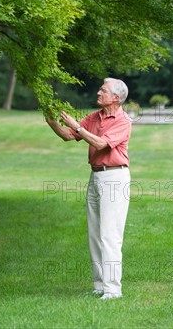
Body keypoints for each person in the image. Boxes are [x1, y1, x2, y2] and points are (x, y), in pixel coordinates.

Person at [46, 77, 132, 300]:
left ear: (116, 97)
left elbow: (101, 144)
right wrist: (50, 120)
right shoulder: (94, 117)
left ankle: (113, 290)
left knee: (109, 235)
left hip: (114, 177)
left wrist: (76, 125)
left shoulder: (123, 120)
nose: (98, 93)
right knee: (95, 233)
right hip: (95, 176)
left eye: (103, 91)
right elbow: (68, 135)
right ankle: (100, 284)